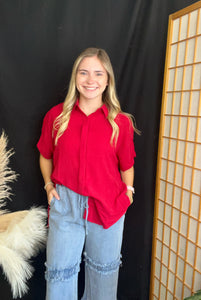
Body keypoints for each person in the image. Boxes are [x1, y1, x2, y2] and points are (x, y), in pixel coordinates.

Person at [37, 47, 137, 300]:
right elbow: (45, 154)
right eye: (84, 73)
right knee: (59, 274)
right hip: (65, 205)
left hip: (108, 206)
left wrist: (128, 193)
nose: (90, 80)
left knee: (104, 275)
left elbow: (127, 165)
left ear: (107, 81)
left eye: (98, 74)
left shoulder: (120, 122)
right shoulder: (56, 116)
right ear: (75, 77)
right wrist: (49, 186)